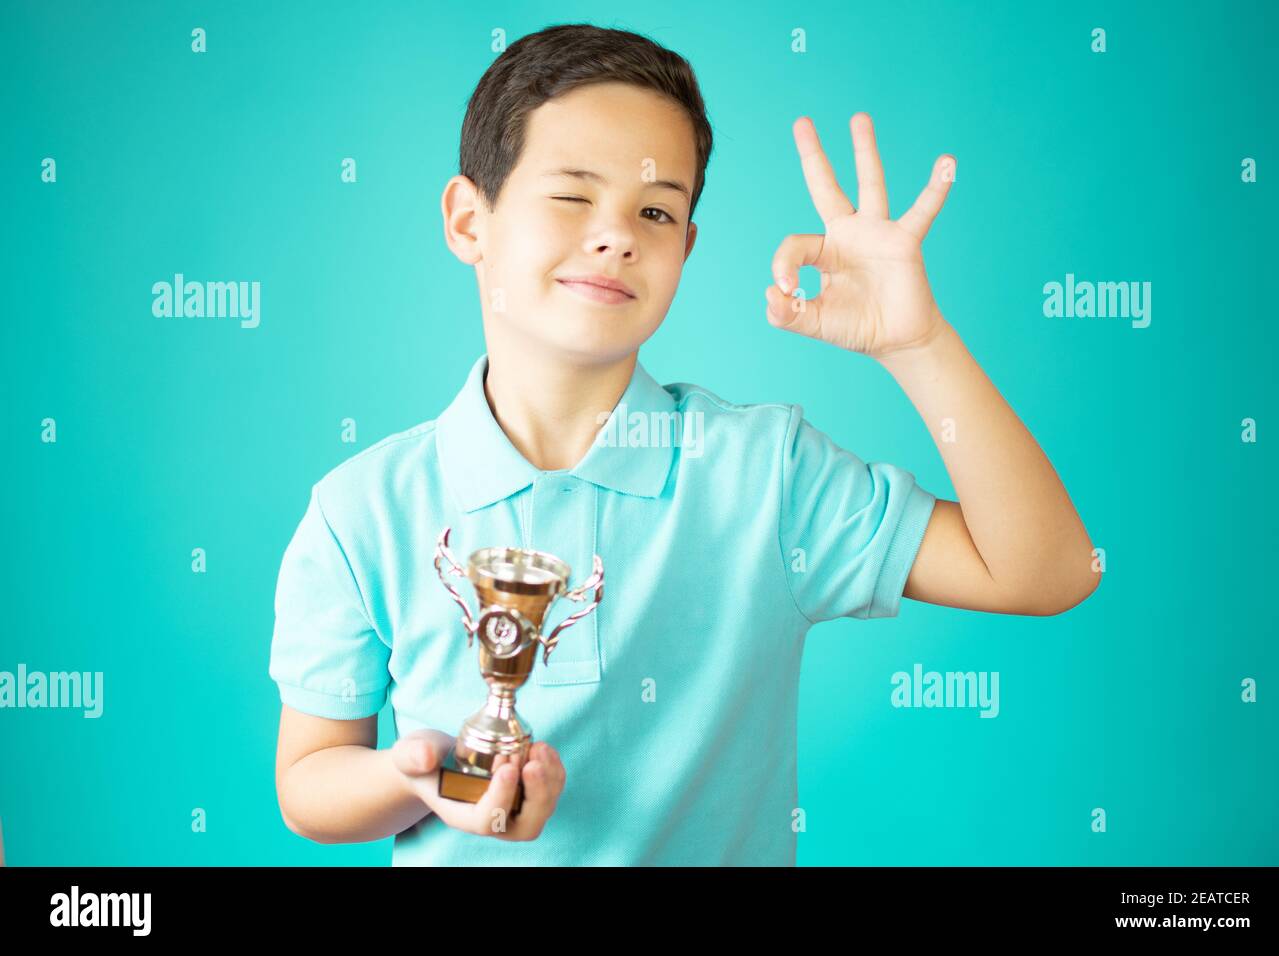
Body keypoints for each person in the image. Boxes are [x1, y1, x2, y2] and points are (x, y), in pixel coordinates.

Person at [270, 23, 1100, 865]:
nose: (617, 234)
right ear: (467, 220)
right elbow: (308, 781)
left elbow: (1052, 572)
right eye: (571, 195)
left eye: (656, 209)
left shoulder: (766, 475)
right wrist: (415, 781)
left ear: (686, 249)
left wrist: (915, 343)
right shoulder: (361, 509)